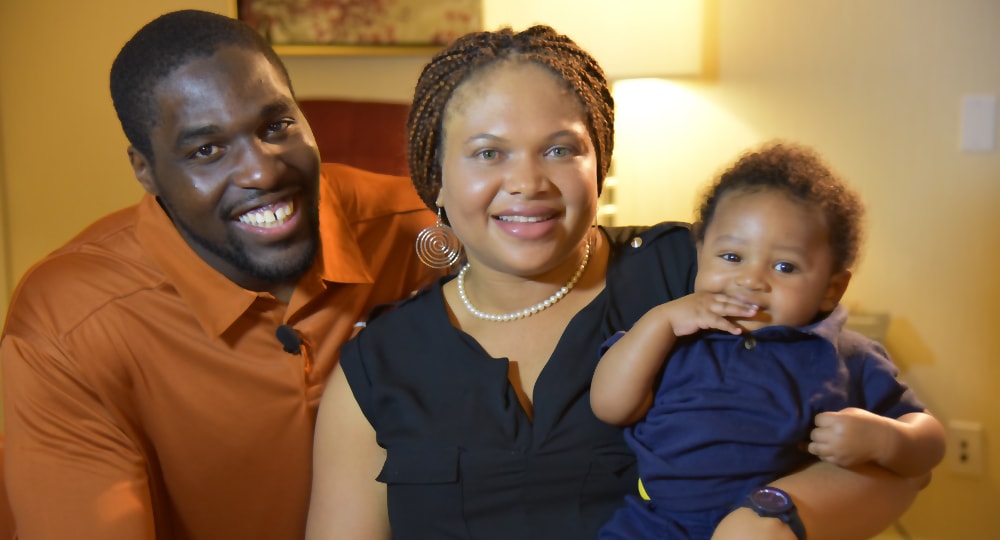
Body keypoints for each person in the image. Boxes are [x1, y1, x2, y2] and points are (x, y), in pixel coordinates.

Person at [305, 26, 928, 540]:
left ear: (599, 163)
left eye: (559, 150)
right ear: (434, 178)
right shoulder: (377, 364)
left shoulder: (701, 272)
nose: (528, 182)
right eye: (488, 153)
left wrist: (771, 515)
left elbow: (895, 455)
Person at [0, 10, 441, 539]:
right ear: (146, 170)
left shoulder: (424, 231)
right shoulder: (68, 325)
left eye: (277, 126)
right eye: (206, 150)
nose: (263, 171)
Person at [590, 142, 946, 539]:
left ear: (833, 288)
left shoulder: (845, 356)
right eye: (731, 257)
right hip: (651, 524)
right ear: (701, 251)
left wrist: (885, 440)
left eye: (784, 266)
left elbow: (929, 439)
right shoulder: (676, 336)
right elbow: (610, 406)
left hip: (767, 524)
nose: (751, 280)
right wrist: (659, 322)